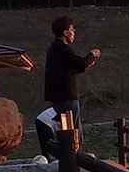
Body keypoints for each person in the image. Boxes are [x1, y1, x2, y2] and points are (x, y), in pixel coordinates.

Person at [37, 15, 101, 157]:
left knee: (67, 128)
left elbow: (72, 67)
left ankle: (69, 155)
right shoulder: (62, 49)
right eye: (72, 29)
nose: (74, 33)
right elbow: (79, 64)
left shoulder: (55, 49)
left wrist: (85, 63)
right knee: (73, 130)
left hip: (59, 96)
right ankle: (74, 158)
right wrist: (92, 54)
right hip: (66, 96)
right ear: (65, 32)